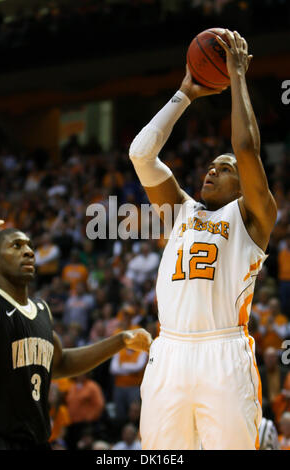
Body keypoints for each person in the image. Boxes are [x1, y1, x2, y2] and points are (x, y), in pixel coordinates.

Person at [129, 30, 277, 450]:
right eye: (210, 167)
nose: (212, 171)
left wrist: (237, 75)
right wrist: (185, 93)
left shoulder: (253, 216)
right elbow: (141, 154)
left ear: (244, 183)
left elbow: (246, 147)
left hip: (223, 353)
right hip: (170, 352)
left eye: (225, 168)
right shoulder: (181, 210)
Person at [0, 205, 152, 450]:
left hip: (38, 440)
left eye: (29, 246)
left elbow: (61, 363)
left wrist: (120, 341)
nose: (28, 252)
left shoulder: (41, 310)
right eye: (16, 246)